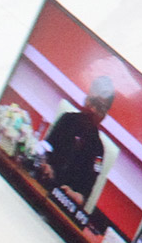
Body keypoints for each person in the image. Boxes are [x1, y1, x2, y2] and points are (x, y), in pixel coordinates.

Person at [39, 75, 114, 210]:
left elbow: (86, 193)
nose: (92, 110)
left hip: (64, 204)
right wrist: (45, 164)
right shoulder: (66, 120)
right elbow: (45, 149)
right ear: (86, 99)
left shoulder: (99, 151)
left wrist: (76, 196)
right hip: (42, 184)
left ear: (104, 116)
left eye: (100, 107)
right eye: (92, 102)